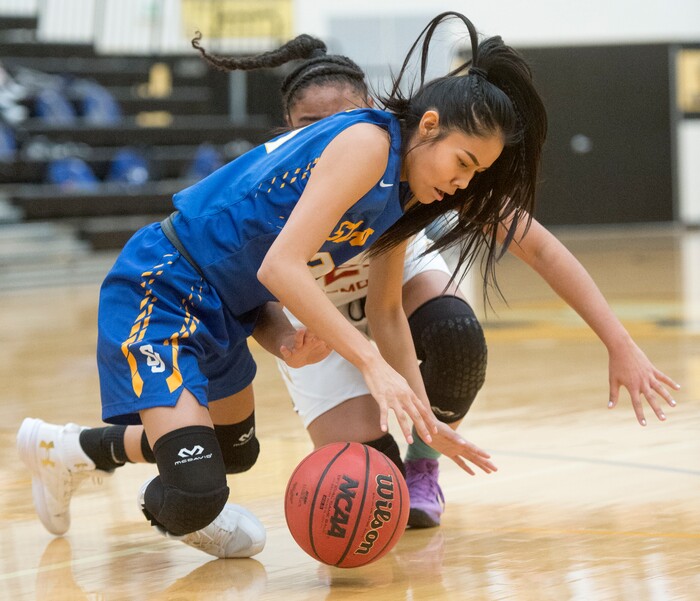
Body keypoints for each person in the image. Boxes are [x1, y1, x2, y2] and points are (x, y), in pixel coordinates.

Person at [19, 10, 533, 559]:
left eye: (476, 174)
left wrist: (426, 426)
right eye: (464, 162)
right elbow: (279, 268)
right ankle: (187, 500)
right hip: (163, 286)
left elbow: (382, 314)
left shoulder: (398, 198)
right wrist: (369, 363)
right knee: (197, 489)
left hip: (227, 309)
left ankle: (69, 449)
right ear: (428, 126)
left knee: (234, 452)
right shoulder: (367, 143)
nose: (463, 181)